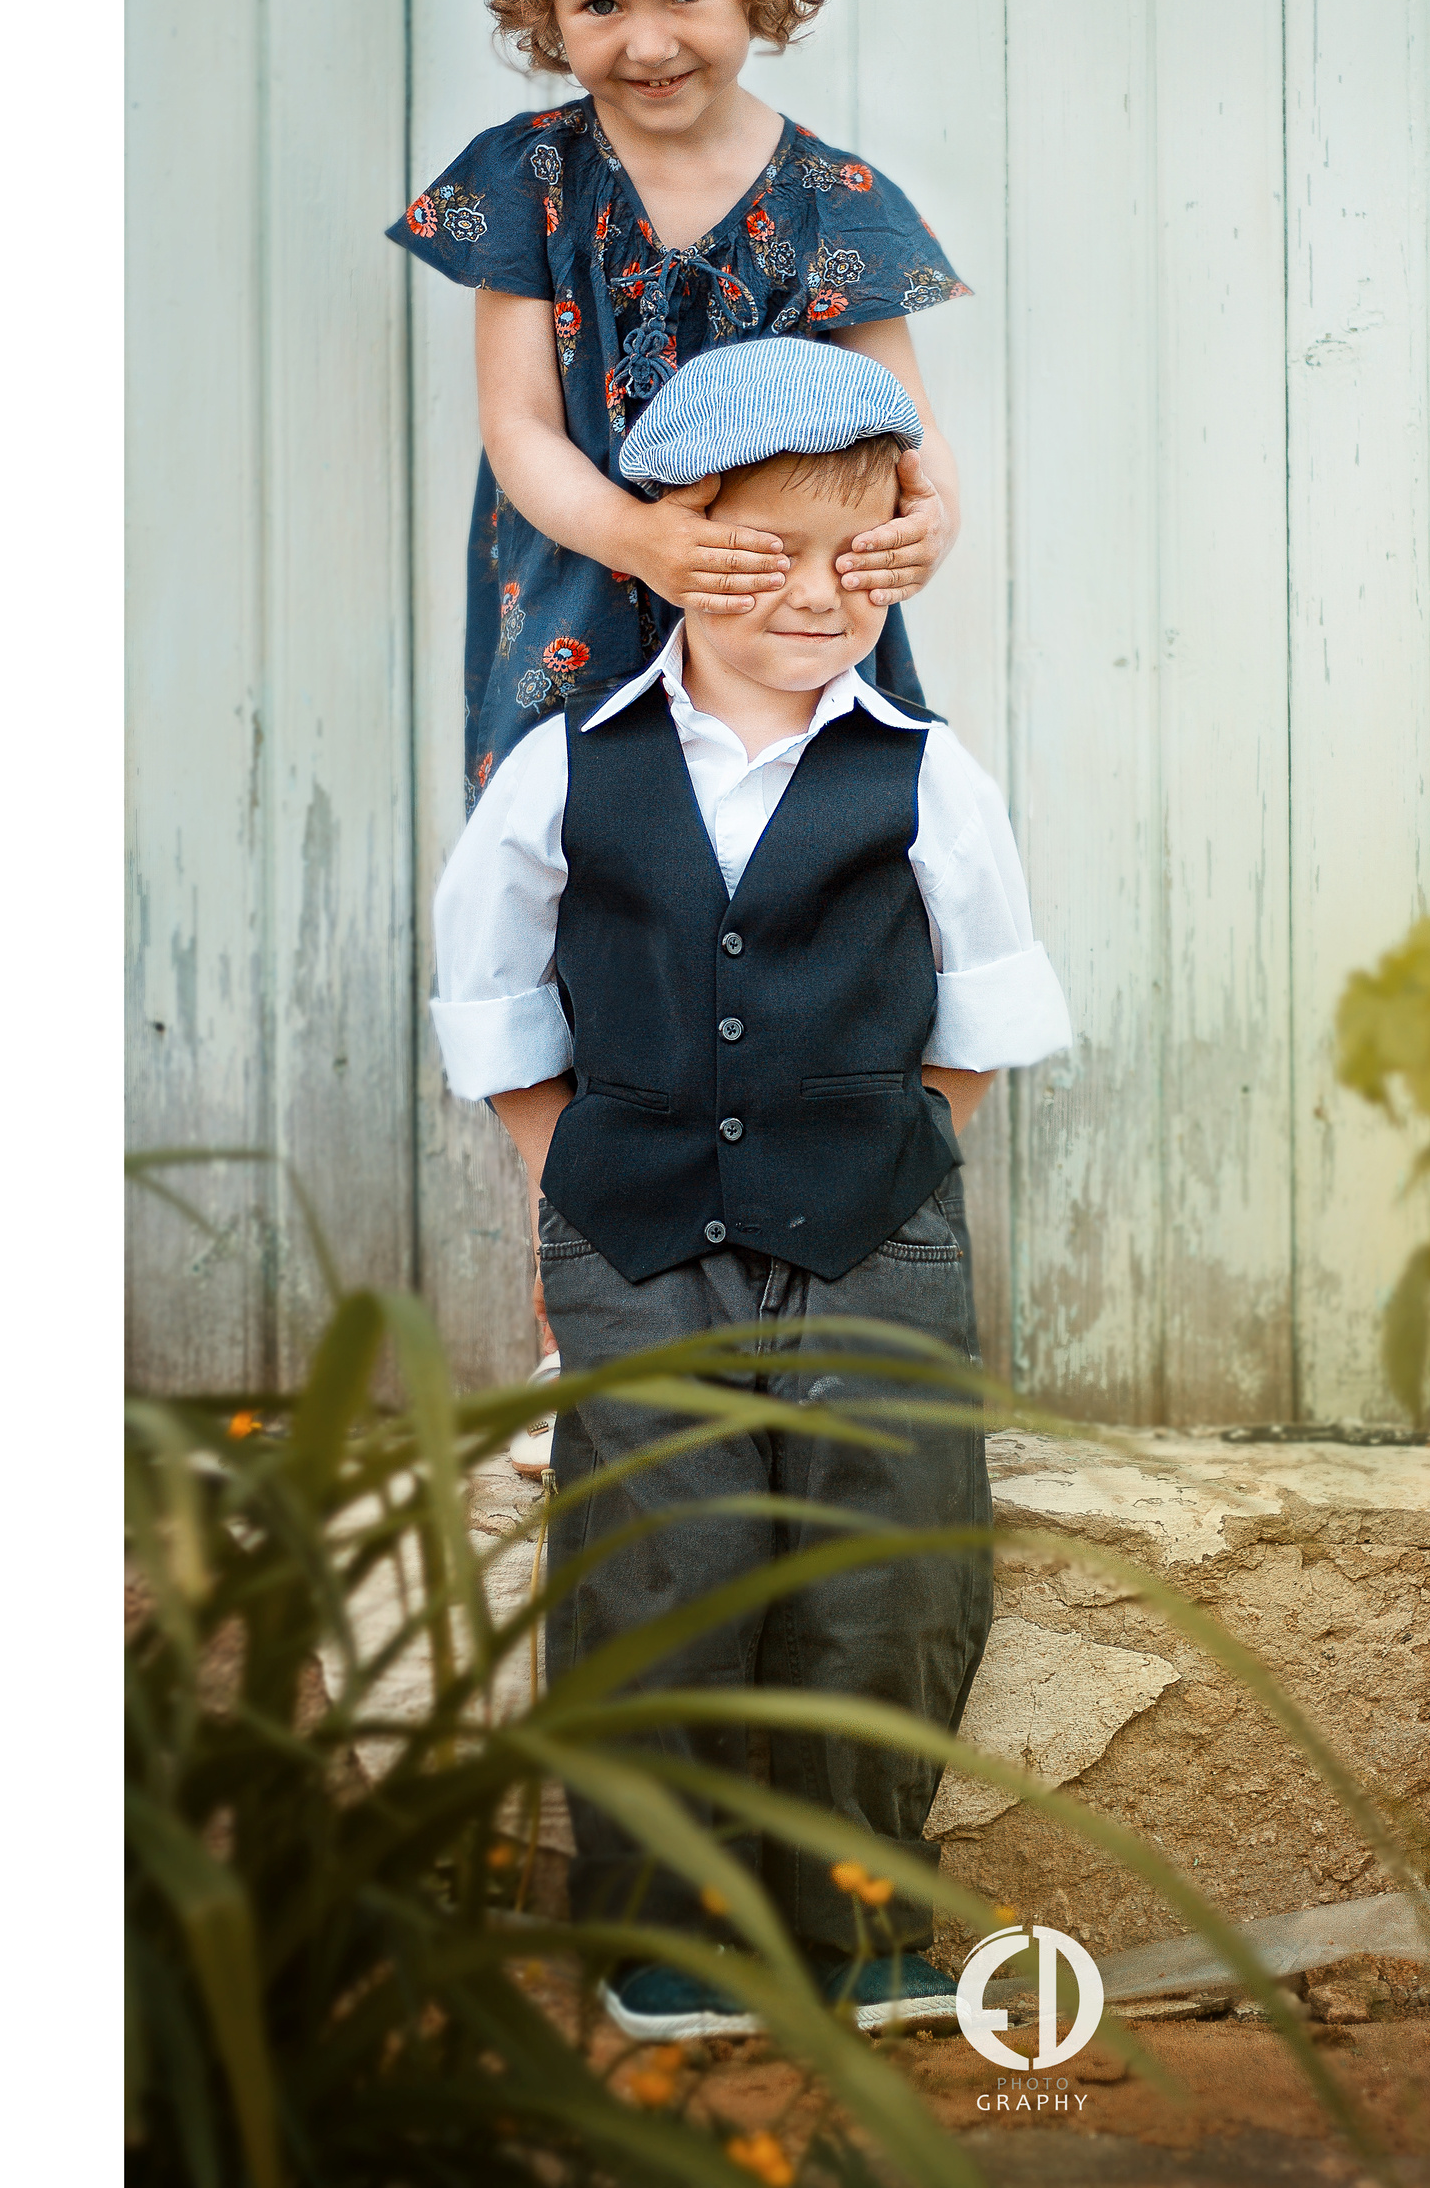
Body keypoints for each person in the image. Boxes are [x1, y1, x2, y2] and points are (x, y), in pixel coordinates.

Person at [430, 338, 1072, 2043]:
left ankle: (859, 1919)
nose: (813, 595)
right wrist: (564, 1165)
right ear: (677, 541)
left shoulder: (924, 771)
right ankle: (668, 1936)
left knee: (891, 1558)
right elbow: (490, 990)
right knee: (660, 1553)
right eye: (767, 554)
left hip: (872, 1224)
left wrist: (884, 1147)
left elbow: (984, 997)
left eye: (853, 559)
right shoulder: (568, 767)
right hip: (633, 1228)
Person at [388, 0, 972, 810]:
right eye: (602, 4)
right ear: (547, 5)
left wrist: (932, 520)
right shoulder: (530, 181)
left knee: (801, 842)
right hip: (585, 591)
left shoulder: (834, 201)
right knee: (572, 846)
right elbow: (518, 427)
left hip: (790, 604)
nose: (649, 43)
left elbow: (905, 422)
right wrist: (640, 538)